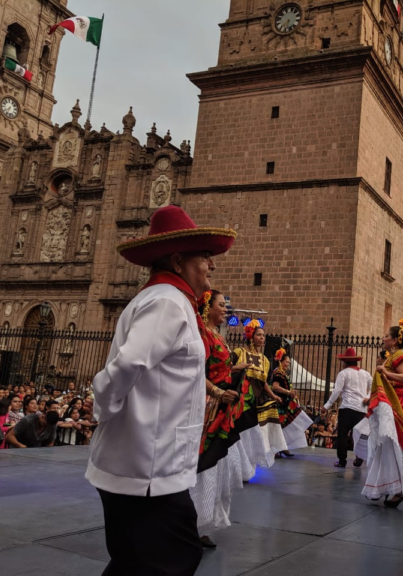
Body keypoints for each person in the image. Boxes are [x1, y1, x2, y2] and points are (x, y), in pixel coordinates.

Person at [84, 205, 236, 576]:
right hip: (147, 469)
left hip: (148, 465)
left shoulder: (165, 300)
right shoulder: (168, 303)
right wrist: (104, 411)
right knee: (173, 557)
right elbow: (126, 366)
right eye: (205, 256)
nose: (211, 266)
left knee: (137, 563)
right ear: (178, 259)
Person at [191, 289, 257, 550]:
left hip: (223, 409)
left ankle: (205, 522)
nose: (225, 310)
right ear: (207, 307)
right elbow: (197, 371)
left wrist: (236, 369)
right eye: (221, 305)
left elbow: (220, 368)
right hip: (208, 407)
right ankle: (194, 523)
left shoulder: (217, 336)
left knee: (221, 466)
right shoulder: (202, 335)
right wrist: (217, 392)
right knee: (206, 463)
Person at [362, 319, 403, 508]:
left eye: (386, 336)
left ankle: (400, 490)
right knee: (388, 445)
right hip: (395, 403)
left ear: (394, 341)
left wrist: (387, 374)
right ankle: (390, 486)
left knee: (397, 446)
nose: (383, 338)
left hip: (402, 403)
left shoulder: (400, 356)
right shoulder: (392, 357)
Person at [233, 320, 287, 466]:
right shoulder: (239, 353)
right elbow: (228, 370)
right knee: (242, 432)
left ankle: (251, 463)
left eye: (263, 335)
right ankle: (239, 463)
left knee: (256, 433)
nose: (262, 338)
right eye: (259, 335)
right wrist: (239, 367)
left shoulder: (265, 361)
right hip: (243, 399)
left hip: (258, 400)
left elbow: (263, 383)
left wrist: (273, 395)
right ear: (251, 336)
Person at [324, 347, 372, 468]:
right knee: (359, 435)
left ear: (345, 362)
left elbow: (337, 391)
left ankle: (342, 460)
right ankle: (359, 457)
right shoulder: (366, 374)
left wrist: (327, 405)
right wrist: (368, 397)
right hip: (361, 409)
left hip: (347, 408)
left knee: (343, 435)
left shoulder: (343, 373)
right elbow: (374, 386)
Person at [271, 348, 313, 458]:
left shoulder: (282, 373)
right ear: (280, 361)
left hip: (286, 403)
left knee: (287, 424)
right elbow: (275, 386)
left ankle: (283, 447)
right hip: (280, 403)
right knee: (280, 426)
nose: (288, 364)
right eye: (287, 362)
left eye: (289, 362)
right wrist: (288, 392)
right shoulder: (277, 373)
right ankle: (277, 449)